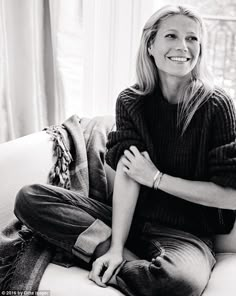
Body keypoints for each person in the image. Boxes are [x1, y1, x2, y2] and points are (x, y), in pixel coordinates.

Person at [14, 4, 236, 296]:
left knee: (179, 282)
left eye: (192, 38)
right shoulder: (131, 101)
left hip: (185, 236)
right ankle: (118, 257)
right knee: (30, 198)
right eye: (171, 36)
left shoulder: (217, 105)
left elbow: (231, 197)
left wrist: (157, 178)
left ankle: (104, 256)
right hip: (126, 222)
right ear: (150, 45)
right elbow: (130, 175)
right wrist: (117, 246)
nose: (183, 46)